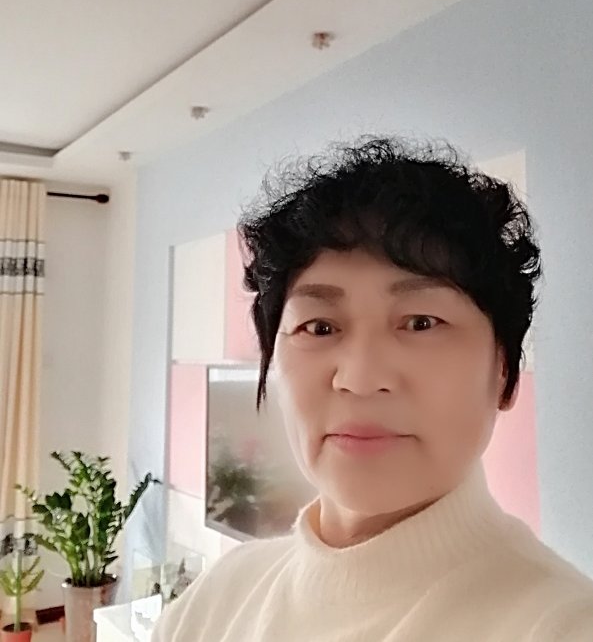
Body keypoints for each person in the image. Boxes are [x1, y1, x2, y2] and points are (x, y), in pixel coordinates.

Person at [152, 136, 593, 641]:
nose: (360, 379)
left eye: (421, 323)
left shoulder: (561, 625)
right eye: (319, 327)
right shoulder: (214, 603)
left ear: (505, 372)